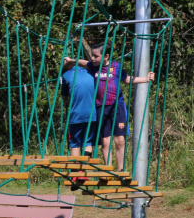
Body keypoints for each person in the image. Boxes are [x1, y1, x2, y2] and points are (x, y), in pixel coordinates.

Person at [65, 43, 154, 172]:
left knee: (120, 140)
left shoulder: (116, 67)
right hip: (101, 107)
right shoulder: (93, 67)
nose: (93, 59)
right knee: (105, 141)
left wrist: (146, 79)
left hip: (117, 106)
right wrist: (71, 60)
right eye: (92, 56)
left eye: (96, 56)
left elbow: (127, 79)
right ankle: (107, 170)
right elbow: (83, 62)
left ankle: (121, 170)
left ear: (106, 56)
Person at [60, 58, 98, 158]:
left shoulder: (66, 75)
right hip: (92, 114)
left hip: (76, 114)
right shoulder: (90, 72)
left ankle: (76, 171)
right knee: (88, 141)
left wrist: (66, 102)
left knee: (75, 143)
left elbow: (64, 96)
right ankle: (86, 167)